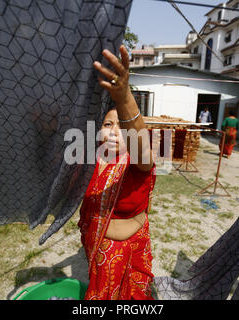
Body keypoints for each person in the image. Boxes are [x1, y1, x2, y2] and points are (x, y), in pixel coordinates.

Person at [78, 45, 156, 300]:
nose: (113, 132)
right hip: (102, 251)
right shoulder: (90, 161)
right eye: (107, 124)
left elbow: (140, 142)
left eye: (120, 127)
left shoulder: (137, 163)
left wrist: (124, 99)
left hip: (135, 246)